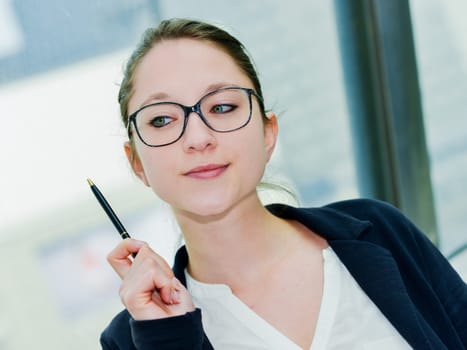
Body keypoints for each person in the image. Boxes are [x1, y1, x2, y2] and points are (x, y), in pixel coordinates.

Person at [100, 18, 467, 350]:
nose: (198, 137)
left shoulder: (381, 231)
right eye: (162, 119)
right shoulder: (135, 339)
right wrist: (169, 341)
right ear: (137, 163)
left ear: (268, 134)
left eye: (223, 107)